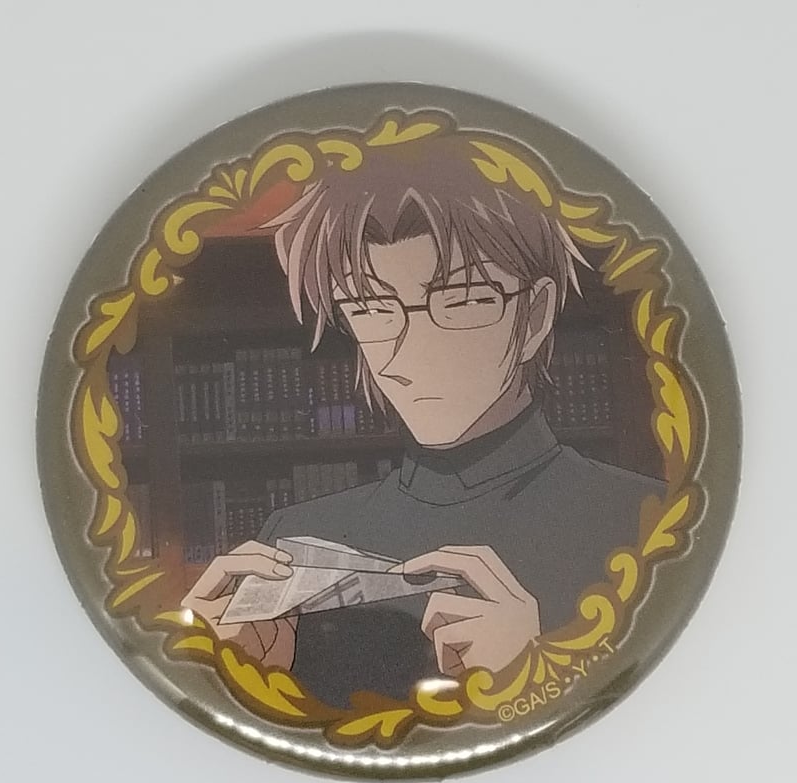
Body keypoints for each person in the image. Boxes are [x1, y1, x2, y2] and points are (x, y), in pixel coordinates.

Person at [182, 119, 664, 708]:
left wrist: (542, 676)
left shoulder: (648, 523)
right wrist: (228, 681)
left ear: (535, 316)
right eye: (371, 306)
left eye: (463, 300)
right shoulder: (294, 542)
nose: (408, 353)